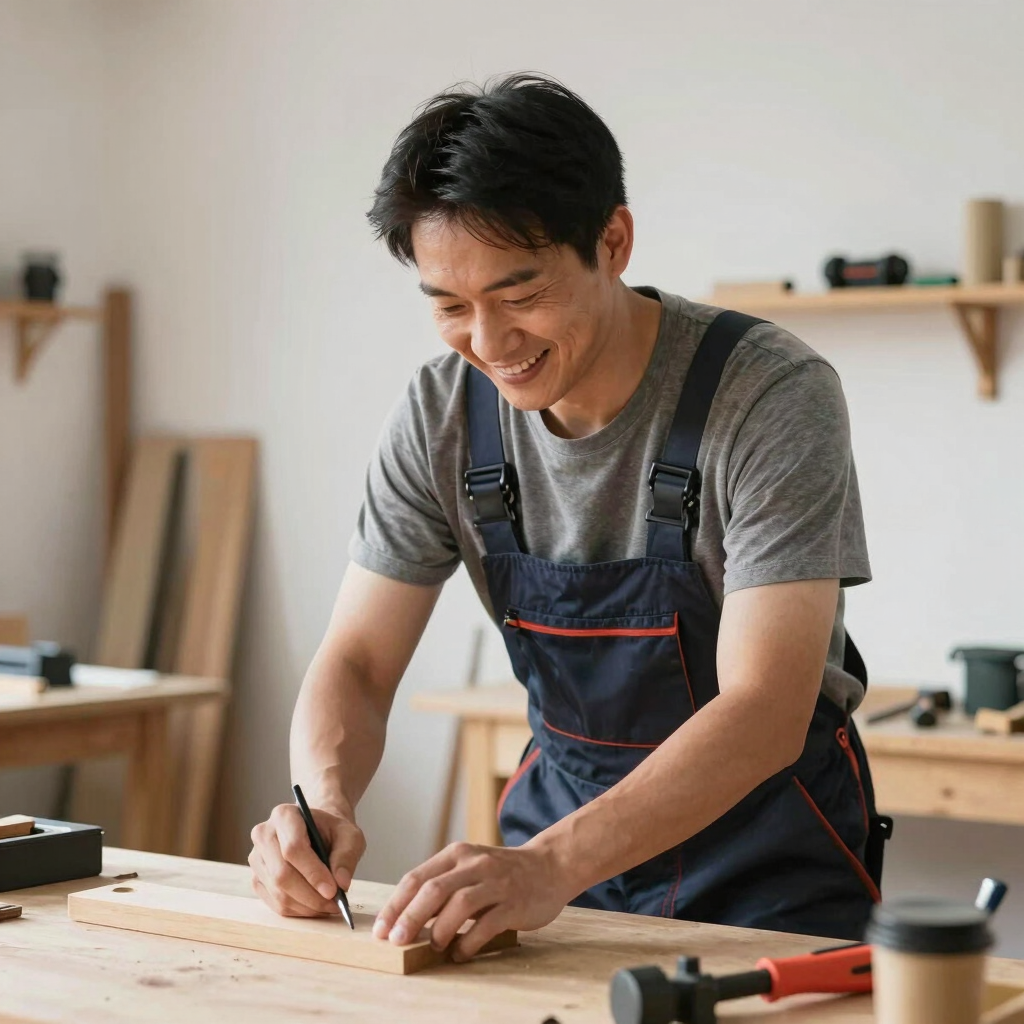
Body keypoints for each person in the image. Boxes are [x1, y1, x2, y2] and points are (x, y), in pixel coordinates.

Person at [249, 73, 890, 958]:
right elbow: (356, 662)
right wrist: (323, 802)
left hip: (765, 880)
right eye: (449, 305)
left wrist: (548, 866)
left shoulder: (771, 394)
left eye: (521, 295)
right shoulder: (442, 416)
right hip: (558, 879)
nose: (491, 343)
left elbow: (765, 708)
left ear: (613, 240)